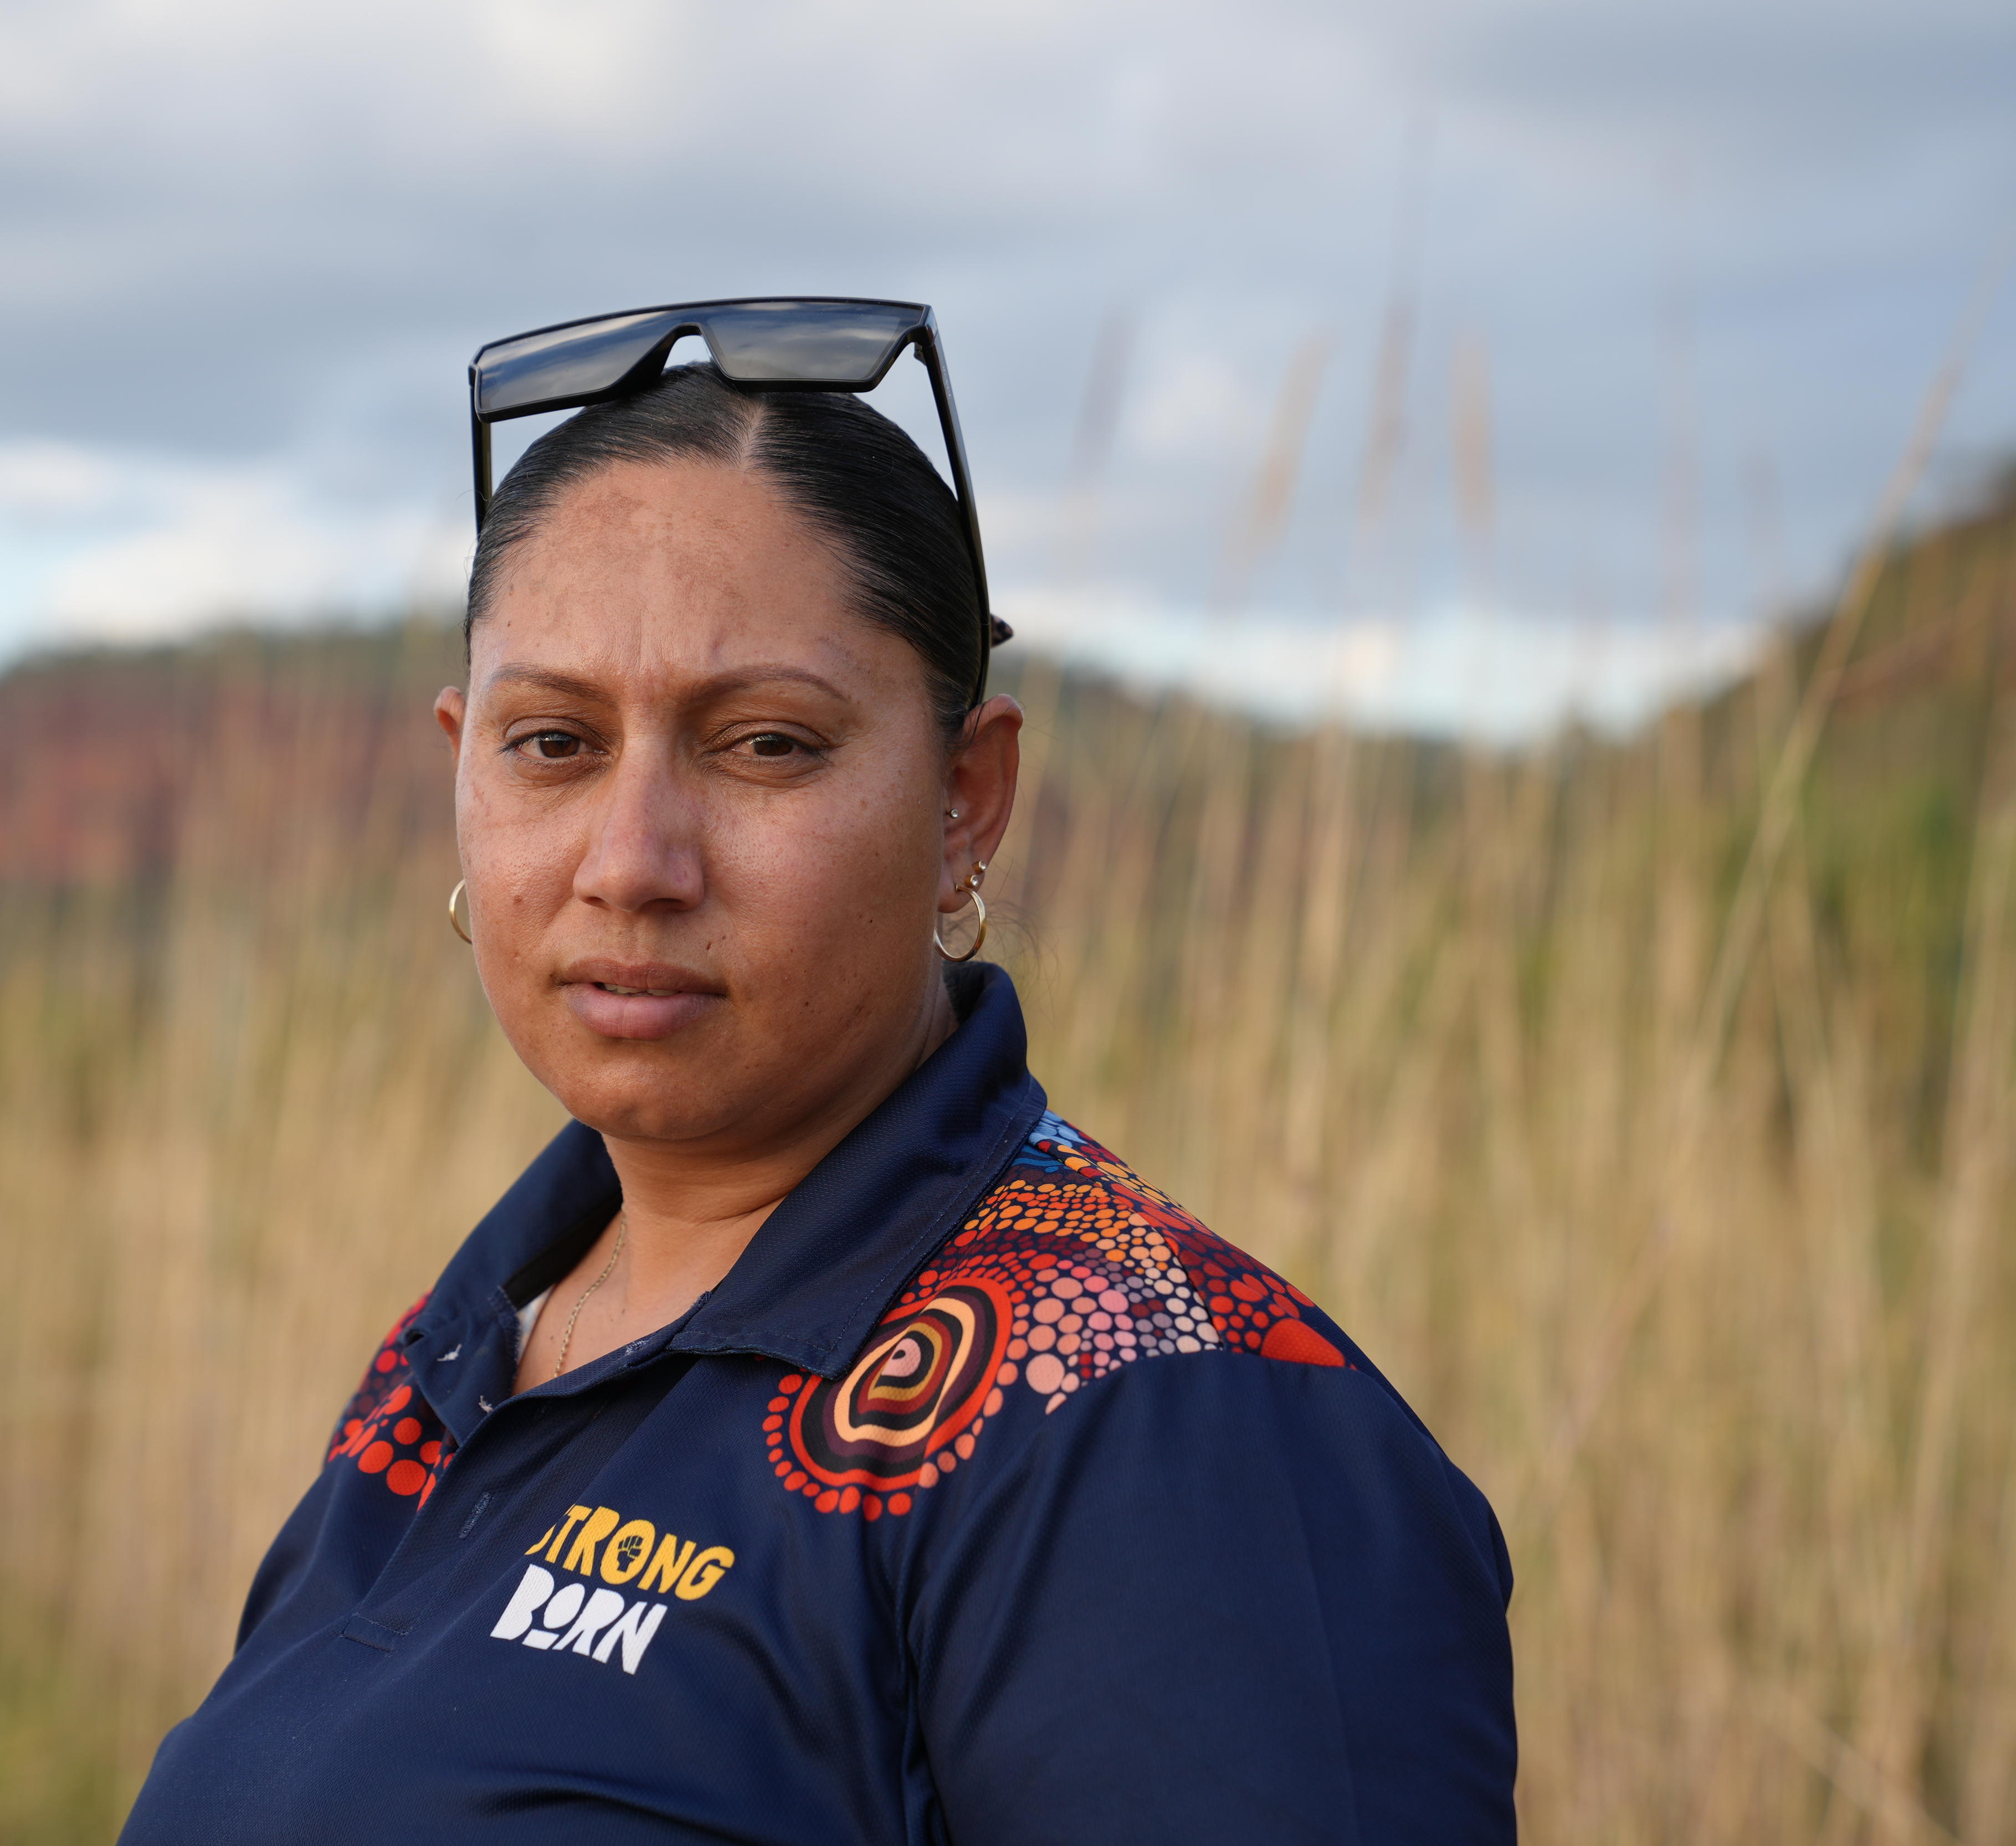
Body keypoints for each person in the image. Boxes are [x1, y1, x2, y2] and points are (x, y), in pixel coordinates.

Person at [118, 310, 1515, 1843]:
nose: (631, 863)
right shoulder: (465, 1351)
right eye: (554, 744)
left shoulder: (1150, 1417)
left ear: (967, 799)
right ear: (462, 767)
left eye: (766, 745)